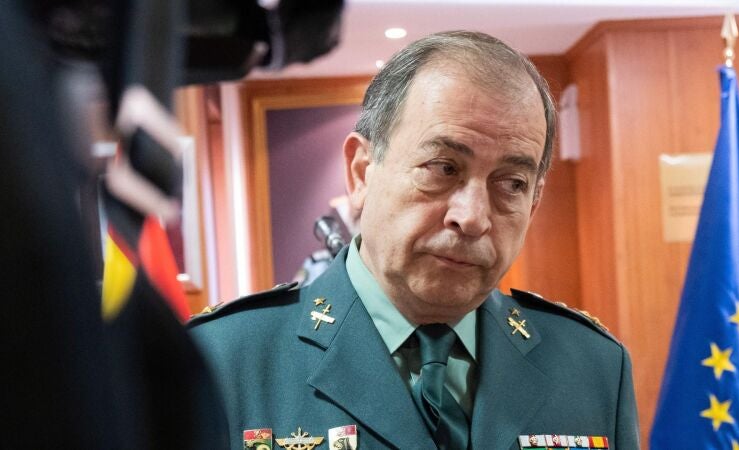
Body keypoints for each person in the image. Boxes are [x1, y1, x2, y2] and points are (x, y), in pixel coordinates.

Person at [189, 30, 640, 450]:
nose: (472, 217)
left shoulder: (594, 367)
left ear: (534, 203)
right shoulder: (219, 362)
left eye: (512, 183)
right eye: (443, 168)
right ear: (361, 173)